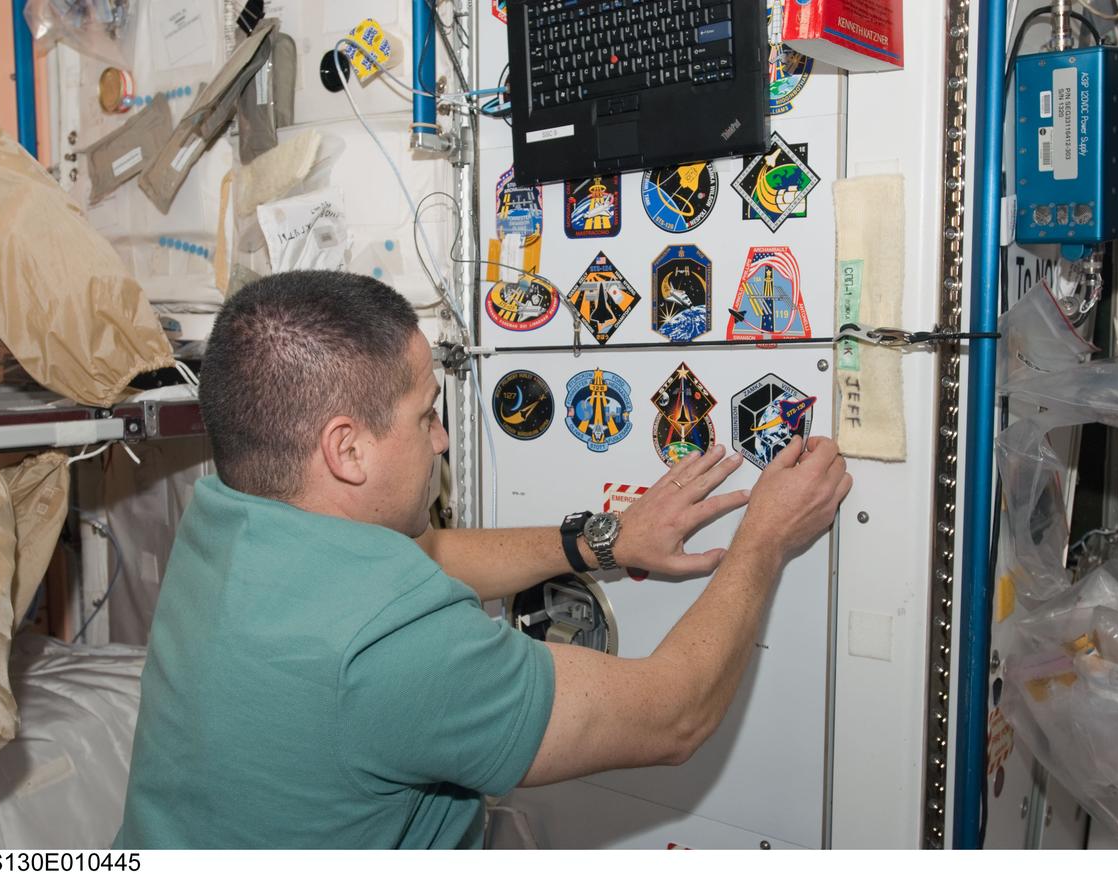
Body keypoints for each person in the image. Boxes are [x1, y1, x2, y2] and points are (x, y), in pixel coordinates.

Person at [115, 271, 851, 849]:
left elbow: (426, 557)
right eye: (427, 414)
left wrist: (602, 540)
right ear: (347, 449)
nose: (440, 440)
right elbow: (676, 715)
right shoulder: (390, 647)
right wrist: (765, 538)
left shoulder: (225, 518)